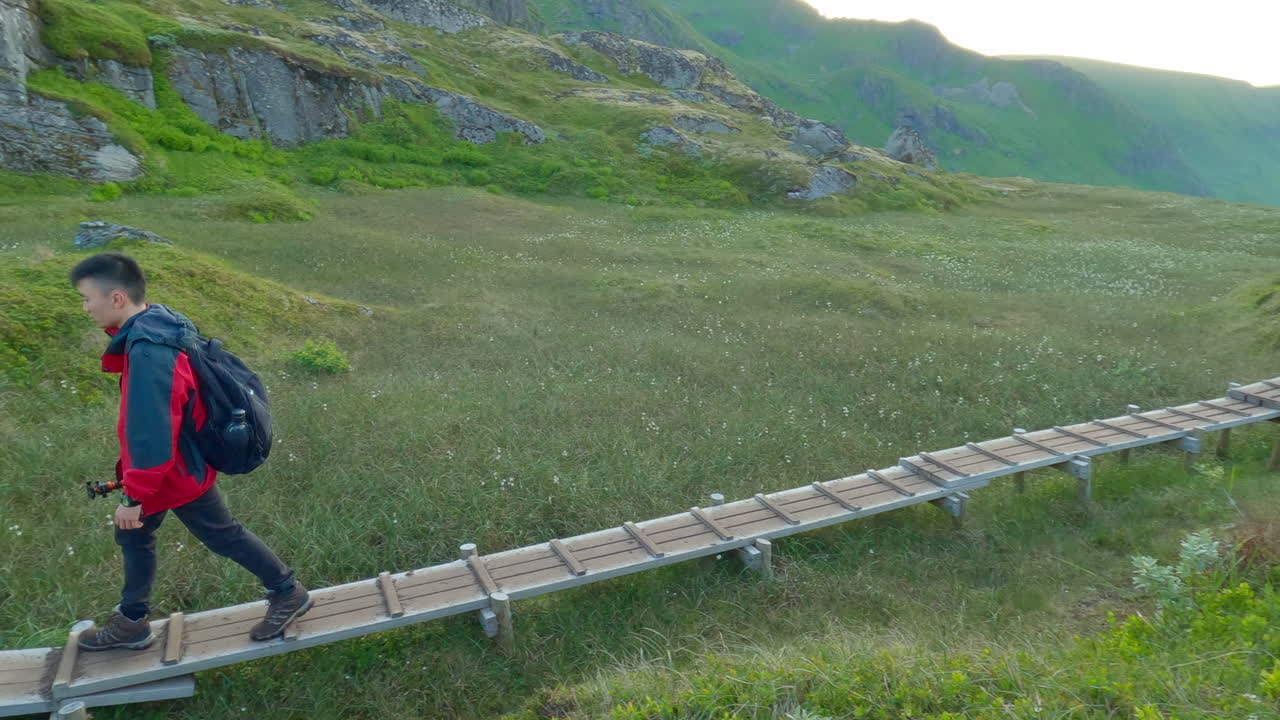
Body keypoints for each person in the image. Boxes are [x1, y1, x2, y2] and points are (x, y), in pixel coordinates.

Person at [69, 252, 311, 650]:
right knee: (139, 535)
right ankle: (132, 619)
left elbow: (152, 431)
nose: (85, 307)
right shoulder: (157, 322)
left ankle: (287, 591)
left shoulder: (148, 351)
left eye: (86, 298)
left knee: (218, 534)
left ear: (116, 298)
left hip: (174, 472)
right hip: (174, 467)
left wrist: (134, 495)